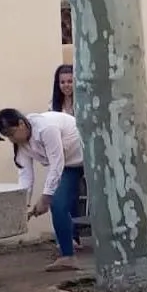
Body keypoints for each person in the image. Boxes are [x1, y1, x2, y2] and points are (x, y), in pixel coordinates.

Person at [0, 108, 83, 271]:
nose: (11, 140)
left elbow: (56, 163)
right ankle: (68, 256)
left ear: (21, 124)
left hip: (87, 156)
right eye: (7, 137)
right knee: (59, 205)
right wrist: (23, 207)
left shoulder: (46, 128)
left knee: (55, 200)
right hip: (70, 165)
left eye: (11, 134)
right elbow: (25, 176)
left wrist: (45, 198)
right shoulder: (21, 145)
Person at [48, 63, 83, 250]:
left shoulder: (83, 101)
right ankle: (72, 238)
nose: (66, 85)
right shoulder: (54, 106)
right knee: (67, 197)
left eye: (70, 81)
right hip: (67, 158)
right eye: (62, 82)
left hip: (85, 155)